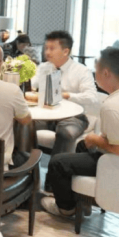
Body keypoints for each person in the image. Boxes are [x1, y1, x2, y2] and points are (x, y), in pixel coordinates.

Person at [42, 48, 119, 218]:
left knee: (58, 162)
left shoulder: (114, 106)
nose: (94, 74)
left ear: (106, 73)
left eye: (96, 70)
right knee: (82, 145)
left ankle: (66, 208)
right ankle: (82, 201)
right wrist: (95, 140)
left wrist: (96, 139)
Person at [26, 31, 98, 159]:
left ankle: (56, 168)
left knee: (66, 133)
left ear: (65, 51)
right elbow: (31, 85)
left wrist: (65, 95)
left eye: (52, 48)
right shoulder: (44, 67)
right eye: (46, 48)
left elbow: (92, 97)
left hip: (74, 117)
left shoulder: (81, 70)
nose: (47, 52)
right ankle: (27, 165)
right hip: (46, 114)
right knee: (23, 124)